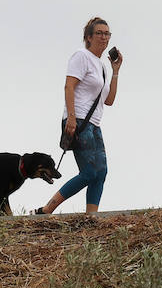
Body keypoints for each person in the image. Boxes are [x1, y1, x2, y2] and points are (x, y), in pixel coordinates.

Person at [34, 16, 122, 214]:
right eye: (99, 33)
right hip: (79, 121)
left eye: (107, 33)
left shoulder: (101, 66)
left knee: (101, 173)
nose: (104, 37)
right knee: (90, 172)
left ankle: (91, 216)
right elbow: (69, 86)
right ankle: (47, 209)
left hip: (94, 124)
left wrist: (115, 71)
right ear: (88, 37)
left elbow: (109, 100)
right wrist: (71, 117)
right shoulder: (81, 56)